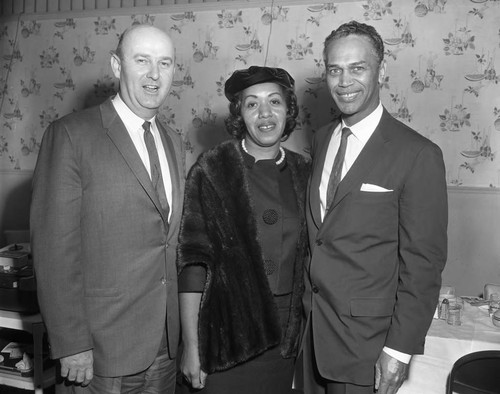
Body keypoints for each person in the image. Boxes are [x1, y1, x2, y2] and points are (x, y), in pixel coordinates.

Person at [30, 24, 185, 393]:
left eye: (165, 63)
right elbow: (54, 251)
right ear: (117, 66)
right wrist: (72, 344)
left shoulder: (173, 141)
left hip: (164, 350)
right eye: (141, 60)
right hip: (100, 354)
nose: (154, 74)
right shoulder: (71, 135)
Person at [302, 21, 448, 394]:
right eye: (335, 69)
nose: (344, 81)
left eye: (357, 68)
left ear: (382, 70)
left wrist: (398, 350)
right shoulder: (321, 139)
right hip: (311, 335)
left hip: (366, 347)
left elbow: (423, 265)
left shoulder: (418, 154)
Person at [176, 66, 310, 394]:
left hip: (283, 341)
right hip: (224, 336)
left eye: (275, 102)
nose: (265, 113)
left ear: (288, 110)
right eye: (252, 104)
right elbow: (193, 266)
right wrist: (192, 348)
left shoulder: (306, 172)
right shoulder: (212, 169)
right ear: (240, 115)